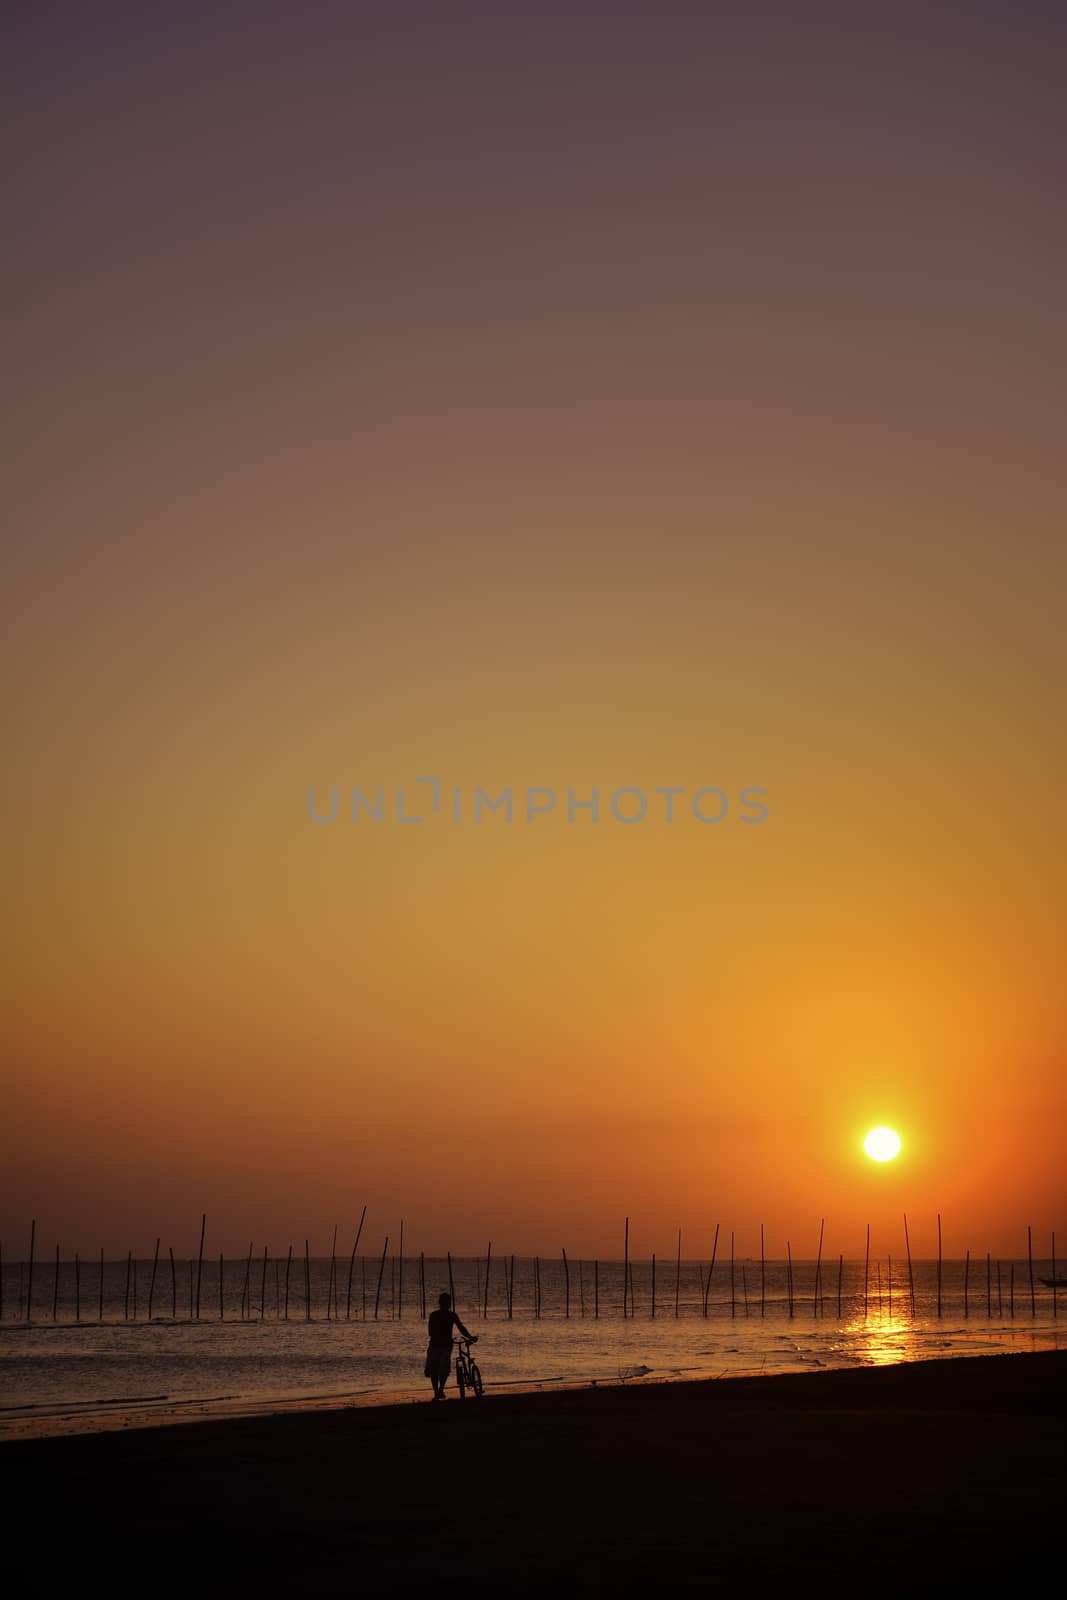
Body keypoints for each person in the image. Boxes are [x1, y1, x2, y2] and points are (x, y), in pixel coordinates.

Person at [424, 1291, 475, 1400]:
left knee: (436, 1369)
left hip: (437, 1345)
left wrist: (470, 1337)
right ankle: (440, 1391)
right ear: (449, 1304)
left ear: (439, 1303)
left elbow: (430, 1332)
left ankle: (437, 1392)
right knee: (441, 1369)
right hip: (443, 1345)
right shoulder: (451, 1315)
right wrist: (470, 1337)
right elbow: (461, 1328)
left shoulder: (435, 1315)